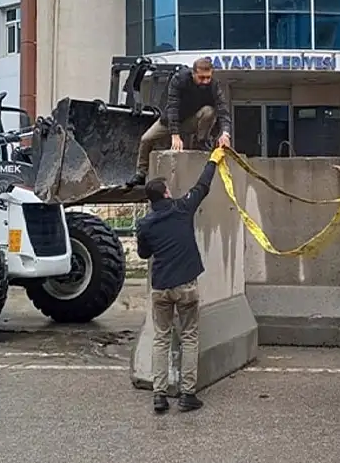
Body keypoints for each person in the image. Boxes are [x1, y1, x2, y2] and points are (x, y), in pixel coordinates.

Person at [135, 146, 225, 414]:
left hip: (160, 287)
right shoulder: (182, 208)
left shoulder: (145, 224)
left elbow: (143, 253)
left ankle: (159, 396)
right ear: (165, 193)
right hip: (186, 285)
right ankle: (187, 394)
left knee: (161, 339)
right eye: (167, 189)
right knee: (189, 337)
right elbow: (202, 186)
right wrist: (213, 160)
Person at [126, 57, 232, 188]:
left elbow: (223, 110)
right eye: (201, 78)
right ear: (193, 73)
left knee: (209, 111)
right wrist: (175, 135)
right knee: (146, 139)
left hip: (192, 120)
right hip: (170, 121)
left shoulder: (213, 86)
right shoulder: (179, 79)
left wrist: (225, 133)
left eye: (208, 77)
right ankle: (141, 174)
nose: (205, 81)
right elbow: (173, 107)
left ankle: (201, 142)